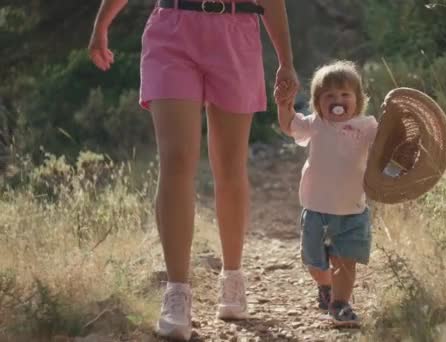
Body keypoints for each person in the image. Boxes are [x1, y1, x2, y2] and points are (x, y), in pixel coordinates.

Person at [88, 0, 299, 340]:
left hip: (236, 27)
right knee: (175, 159)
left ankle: (232, 278)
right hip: (171, 28)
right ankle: (177, 293)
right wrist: (101, 24)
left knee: (230, 166)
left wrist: (286, 62)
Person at [274, 60, 377, 327]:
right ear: (318, 102)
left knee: (346, 261)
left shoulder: (367, 128)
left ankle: (341, 304)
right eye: (329, 96)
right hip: (316, 208)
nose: (337, 100)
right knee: (315, 262)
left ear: (358, 100)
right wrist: (283, 104)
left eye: (345, 95)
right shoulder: (315, 124)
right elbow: (289, 126)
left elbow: (384, 149)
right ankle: (325, 287)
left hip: (352, 209)